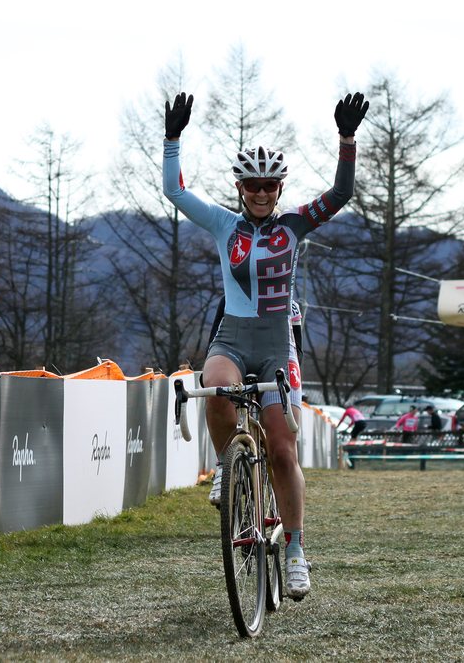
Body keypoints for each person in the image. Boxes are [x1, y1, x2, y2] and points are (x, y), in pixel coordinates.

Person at [161, 88, 368, 600]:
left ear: (278, 189)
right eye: (252, 184)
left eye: (268, 185)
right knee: (216, 388)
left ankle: (295, 548)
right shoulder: (223, 225)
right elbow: (176, 191)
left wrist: (346, 140)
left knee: (281, 449)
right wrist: (172, 139)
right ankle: (226, 467)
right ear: (240, 187)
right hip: (232, 337)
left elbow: (340, 195)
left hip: (278, 345)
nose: (260, 192)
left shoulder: (294, 226)